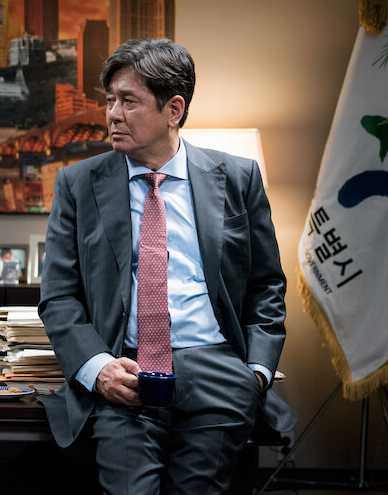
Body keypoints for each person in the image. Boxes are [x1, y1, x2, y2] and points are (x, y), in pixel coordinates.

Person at [38, 38, 295, 494]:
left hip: (217, 370)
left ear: (174, 109)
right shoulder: (78, 183)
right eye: (110, 100)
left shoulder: (238, 177)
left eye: (128, 101)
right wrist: (98, 367)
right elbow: (59, 296)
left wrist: (255, 371)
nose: (112, 114)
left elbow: (267, 284)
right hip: (126, 370)